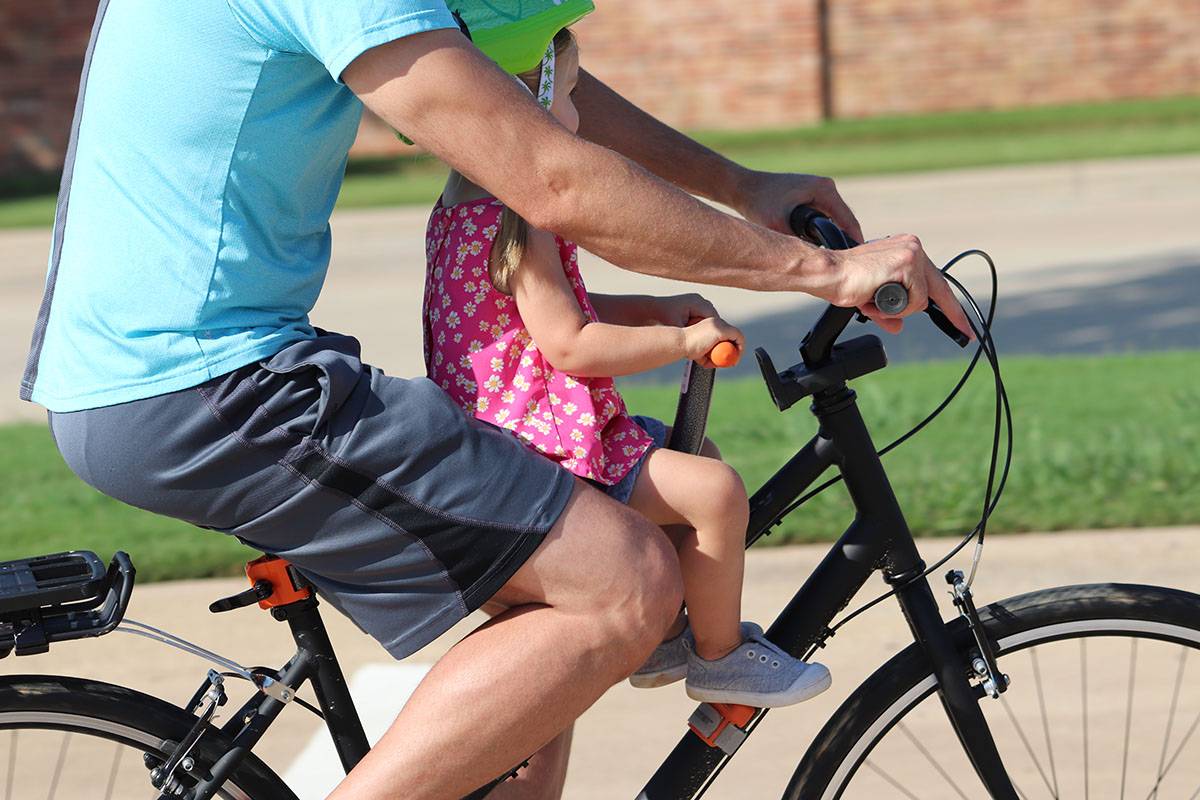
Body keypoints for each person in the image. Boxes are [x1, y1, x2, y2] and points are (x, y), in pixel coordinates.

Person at [20, 1, 972, 797]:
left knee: (566, 578)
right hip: (207, 386)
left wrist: (742, 185)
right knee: (626, 577)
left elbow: (531, 85)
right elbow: (552, 174)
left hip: (188, 379)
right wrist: (822, 269)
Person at [423, 26, 832, 711]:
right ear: (536, 109)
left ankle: (670, 635)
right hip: (542, 454)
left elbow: (526, 312)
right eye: (575, 93)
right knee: (716, 492)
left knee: (696, 453)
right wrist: (684, 345)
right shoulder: (522, 216)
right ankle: (720, 658)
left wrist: (653, 307)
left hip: (510, 437)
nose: (582, 115)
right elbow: (571, 343)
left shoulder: (465, 206)